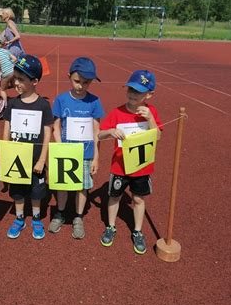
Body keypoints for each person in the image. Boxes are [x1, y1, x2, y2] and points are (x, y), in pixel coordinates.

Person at [98, 70, 163, 254]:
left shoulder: (151, 113)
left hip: (142, 167)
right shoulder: (117, 112)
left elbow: (157, 137)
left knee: (138, 198)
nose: (133, 94)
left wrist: (150, 118)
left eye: (138, 91)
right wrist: (110, 132)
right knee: (114, 196)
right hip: (119, 166)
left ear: (149, 95)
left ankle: (137, 230)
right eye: (130, 89)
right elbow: (100, 134)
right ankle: (110, 227)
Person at [48, 57, 104, 239]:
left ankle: (78, 217)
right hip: (65, 152)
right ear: (69, 77)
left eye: (86, 82)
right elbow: (56, 126)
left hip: (85, 153)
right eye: (77, 81)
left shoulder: (94, 102)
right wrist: (59, 148)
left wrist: (96, 157)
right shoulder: (61, 99)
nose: (81, 86)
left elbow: (97, 131)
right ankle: (60, 212)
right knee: (62, 185)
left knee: (82, 187)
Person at [3, 54, 53, 240]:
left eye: (21, 79)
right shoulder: (13, 103)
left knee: (36, 192)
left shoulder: (43, 105)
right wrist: (6, 151)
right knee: (17, 191)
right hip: (16, 159)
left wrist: (42, 159)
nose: (16, 82)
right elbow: (7, 128)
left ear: (35, 81)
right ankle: (19, 218)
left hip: (35, 160)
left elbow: (47, 133)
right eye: (16, 78)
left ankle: (37, 218)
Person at [0, 33, 17, 113]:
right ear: (3, 44)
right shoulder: (6, 51)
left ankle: (5, 105)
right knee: (14, 85)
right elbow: (15, 59)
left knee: (2, 90)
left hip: (6, 73)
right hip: (13, 70)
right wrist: (10, 63)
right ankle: (24, 97)